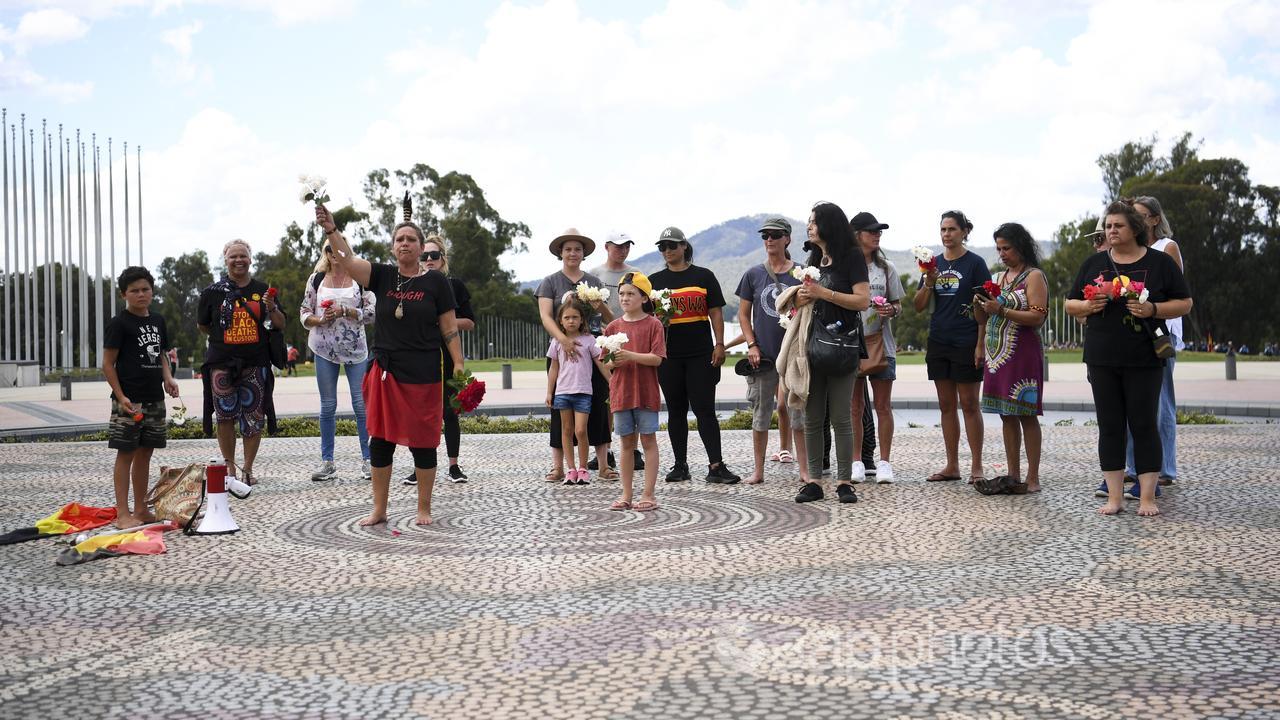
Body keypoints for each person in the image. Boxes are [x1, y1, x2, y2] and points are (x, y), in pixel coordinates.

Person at [315, 196, 465, 526]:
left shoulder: (435, 282)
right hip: (386, 372)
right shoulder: (382, 276)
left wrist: (457, 362)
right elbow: (348, 259)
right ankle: (379, 510)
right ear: (393, 246)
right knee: (380, 442)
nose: (405, 243)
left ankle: (423, 508)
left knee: (424, 443)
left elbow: (449, 327)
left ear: (422, 246)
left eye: (412, 239)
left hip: (424, 373)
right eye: (400, 239)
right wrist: (331, 229)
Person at [1066, 200, 1192, 517]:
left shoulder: (1160, 263)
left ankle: (1148, 498)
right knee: (1110, 427)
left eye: (1118, 225)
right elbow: (1070, 303)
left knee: (1144, 424)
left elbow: (1185, 303)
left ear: (1135, 228)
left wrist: (1153, 309)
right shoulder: (1093, 265)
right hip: (1102, 357)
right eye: (1108, 226)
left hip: (1145, 357)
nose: (1111, 231)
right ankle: (1114, 497)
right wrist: (1087, 307)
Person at [793, 202, 871, 504]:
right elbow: (809, 300)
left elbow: (862, 301)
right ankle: (813, 481)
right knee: (812, 417)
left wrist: (823, 293)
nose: (809, 226)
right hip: (812, 346)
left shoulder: (851, 258)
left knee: (841, 416)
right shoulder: (813, 258)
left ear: (828, 225)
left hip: (842, 346)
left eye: (813, 221)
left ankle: (843, 481)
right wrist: (800, 297)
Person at [649, 226, 740, 484]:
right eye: (662, 247)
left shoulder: (704, 276)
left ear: (684, 246)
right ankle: (680, 465)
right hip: (669, 357)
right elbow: (646, 318)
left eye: (672, 245)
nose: (667, 251)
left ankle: (716, 466)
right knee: (676, 411)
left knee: (704, 410)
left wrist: (719, 344)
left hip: (701, 354)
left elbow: (716, 313)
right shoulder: (654, 281)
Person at [197, 239, 286, 486]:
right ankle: (229, 468)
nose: (238, 260)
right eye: (233, 257)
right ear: (225, 260)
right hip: (222, 364)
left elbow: (279, 324)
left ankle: (247, 468)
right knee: (224, 417)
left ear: (250, 259)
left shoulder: (263, 291)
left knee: (254, 417)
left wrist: (272, 309)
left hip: (255, 363)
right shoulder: (211, 293)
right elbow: (203, 325)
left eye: (243, 256)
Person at [913, 210, 991, 485]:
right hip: (939, 340)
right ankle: (952, 465)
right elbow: (919, 305)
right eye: (943, 230)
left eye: (952, 230)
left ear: (964, 232)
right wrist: (929, 281)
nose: (947, 235)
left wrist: (980, 344)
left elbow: (984, 307)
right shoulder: (932, 264)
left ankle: (977, 466)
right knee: (946, 405)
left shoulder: (976, 264)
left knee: (970, 404)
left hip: (967, 340)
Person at [972, 222, 1048, 494]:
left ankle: (1033, 477)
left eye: (1007, 248)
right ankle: (1013, 473)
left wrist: (1001, 310)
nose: (1002, 253)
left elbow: (1038, 316)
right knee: (1006, 414)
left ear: (1021, 246)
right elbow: (983, 317)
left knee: (1026, 414)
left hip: (1022, 352)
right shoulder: (998, 277)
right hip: (996, 354)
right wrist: (980, 306)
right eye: (999, 248)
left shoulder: (1034, 276)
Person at [103, 266, 180, 528]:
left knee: (146, 452)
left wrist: (167, 378)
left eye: (145, 289)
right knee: (125, 453)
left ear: (152, 291)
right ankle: (123, 513)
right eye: (134, 290)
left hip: (154, 398)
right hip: (129, 400)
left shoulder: (158, 321)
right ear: (124, 294)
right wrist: (120, 396)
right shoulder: (119, 323)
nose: (141, 294)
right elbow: (107, 363)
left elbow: (161, 355)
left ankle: (141, 509)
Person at [536, 228, 615, 482]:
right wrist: (562, 340)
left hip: (590, 348)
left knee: (600, 407)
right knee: (562, 414)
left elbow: (609, 319)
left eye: (577, 249)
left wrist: (598, 304)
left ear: (584, 254)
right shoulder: (550, 282)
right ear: (560, 252)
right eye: (568, 249)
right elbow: (546, 316)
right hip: (561, 349)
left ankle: (603, 464)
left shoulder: (594, 281)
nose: (573, 253)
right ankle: (559, 466)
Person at [734, 216, 808, 485]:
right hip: (763, 356)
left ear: (787, 238)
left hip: (794, 355)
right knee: (760, 414)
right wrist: (751, 345)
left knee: (798, 413)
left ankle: (804, 470)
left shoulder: (801, 272)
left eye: (775, 235)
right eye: (765, 235)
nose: (769, 240)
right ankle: (758, 471)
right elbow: (744, 315)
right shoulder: (753, 274)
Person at [300, 241, 376, 482]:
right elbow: (304, 311)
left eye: (338, 249)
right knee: (328, 405)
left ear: (346, 252)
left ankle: (368, 460)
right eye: (329, 250)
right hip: (323, 349)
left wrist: (347, 311)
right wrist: (319, 319)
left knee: (360, 404)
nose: (334, 254)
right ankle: (327, 461)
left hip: (355, 350)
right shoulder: (316, 279)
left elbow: (373, 313)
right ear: (326, 254)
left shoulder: (360, 278)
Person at [1122, 196, 1183, 491]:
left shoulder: (1166, 248)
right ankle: (1135, 467)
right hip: (1132, 333)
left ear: (1156, 219)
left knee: (1161, 403)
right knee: (1135, 404)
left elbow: (1176, 291)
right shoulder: (1131, 251)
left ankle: (1165, 467)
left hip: (1160, 332)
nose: (1137, 220)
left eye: (1142, 216)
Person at [404, 236, 476, 486]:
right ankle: (420, 466)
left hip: (447, 356)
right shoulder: (411, 284)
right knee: (420, 414)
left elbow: (469, 321)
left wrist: (445, 320)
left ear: (443, 259)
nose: (429, 260)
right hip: (419, 356)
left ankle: (454, 465)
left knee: (449, 412)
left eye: (435, 256)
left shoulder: (454, 285)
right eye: (426, 256)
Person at [848, 212, 905, 484]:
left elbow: (898, 304)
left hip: (883, 344)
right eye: (871, 231)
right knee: (854, 407)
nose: (877, 234)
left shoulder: (887, 268)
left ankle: (884, 462)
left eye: (879, 230)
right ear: (857, 234)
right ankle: (856, 461)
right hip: (852, 344)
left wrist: (890, 309)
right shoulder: (845, 266)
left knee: (883, 405)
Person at [604, 271, 666, 512]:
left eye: (631, 293)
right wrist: (613, 362)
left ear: (643, 298)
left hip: (646, 393)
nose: (625, 298)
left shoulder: (654, 324)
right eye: (621, 294)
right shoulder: (612, 327)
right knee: (626, 443)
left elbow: (657, 358)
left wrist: (631, 356)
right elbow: (605, 361)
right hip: (621, 393)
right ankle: (626, 494)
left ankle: (648, 494)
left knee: (648, 441)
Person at [587, 230, 641, 472]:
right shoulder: (594, 275)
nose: (622, 250)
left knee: (633, 394)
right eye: (618, 246)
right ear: (607, 246)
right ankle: (605, 449)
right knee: (609, 395)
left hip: (632, 338)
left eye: (626, 245)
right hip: (604, 339)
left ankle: (634, 448)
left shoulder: (636, 274)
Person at [546, 300, 611, 485]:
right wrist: (550, 392)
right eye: (567, 318)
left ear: (582, 319)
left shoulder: (589, 340)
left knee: (581, 430)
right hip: (562, 393)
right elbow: (553, 368)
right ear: (560, 321)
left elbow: (600, 363)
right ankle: (571, 469)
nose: (571, 321)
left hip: (583, 393)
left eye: (575, 317)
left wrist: (613, 382)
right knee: (566, 431)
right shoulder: (557, 341)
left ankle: (583, 469)